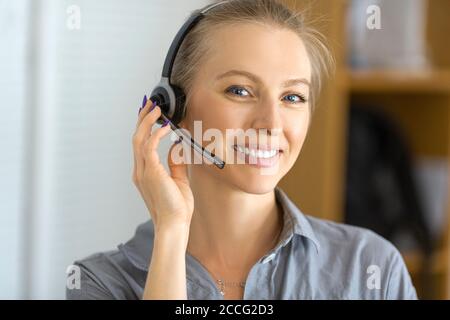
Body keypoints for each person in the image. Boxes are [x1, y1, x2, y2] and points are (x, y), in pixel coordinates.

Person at [66, 0, 417, 300]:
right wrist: (171, 234)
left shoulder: (372, 269)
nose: (271, 123)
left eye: (292, 97)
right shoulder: (101, 282)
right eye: (240, 91)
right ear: (173, 109)